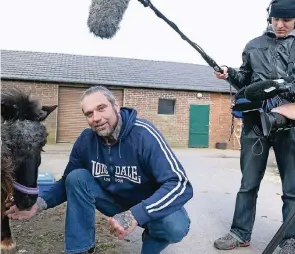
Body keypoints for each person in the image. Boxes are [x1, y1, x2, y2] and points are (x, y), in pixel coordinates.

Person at [5, 86, 193, 254]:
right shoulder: (86, 140)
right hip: (114, 203)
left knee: (175, 226)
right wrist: (38, 203)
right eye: (89, 114)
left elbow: (180, 184)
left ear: (116, 106)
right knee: (76, 177)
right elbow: (66, 182)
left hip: (148, 205)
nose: (96, 118)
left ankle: (151, 240)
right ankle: (82, 249)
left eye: (101, 108)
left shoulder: (144, 135)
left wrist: (135, 214)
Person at [213, 0, 295, 254]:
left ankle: (292, 239)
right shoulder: (254, 45)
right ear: (270, 17)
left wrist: (288, 88)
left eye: (286, 19)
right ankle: (239, 233)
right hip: (255, 122)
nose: (280, 24)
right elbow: (245, 80)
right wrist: (229, 74)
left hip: (292, 125)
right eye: (276, 18)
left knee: (292, 187)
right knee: (248, 183)